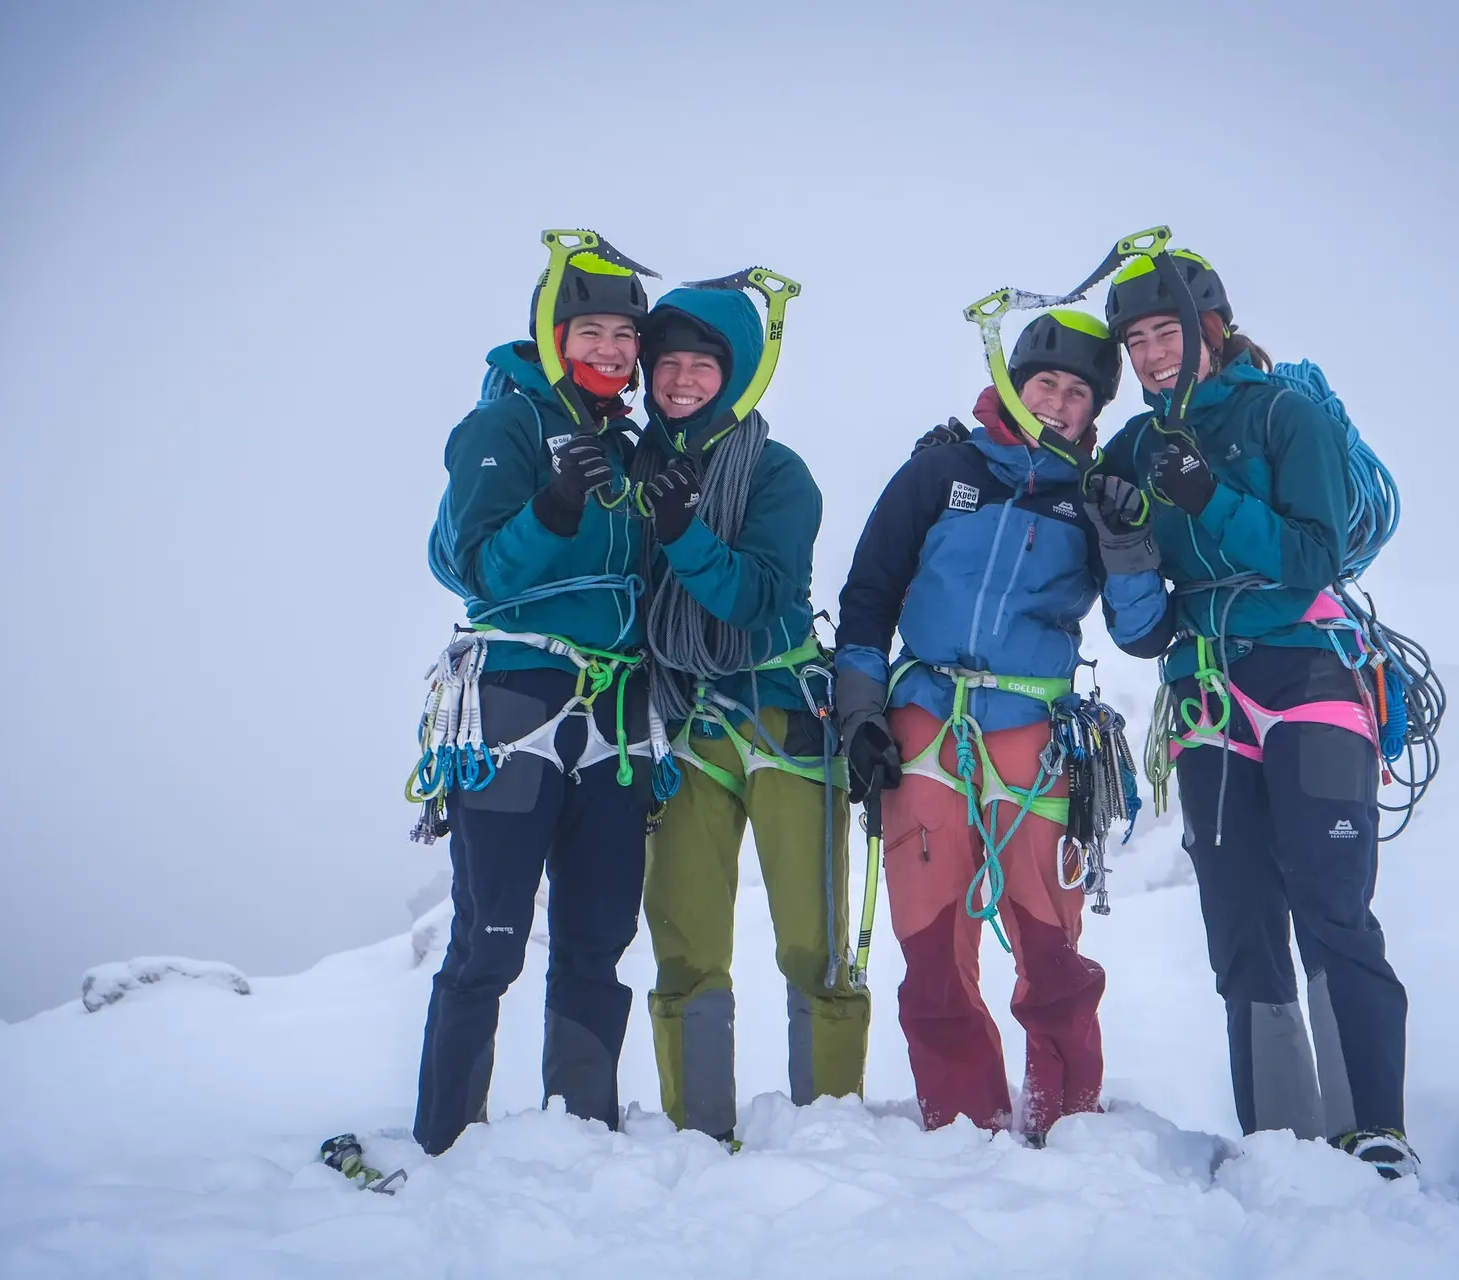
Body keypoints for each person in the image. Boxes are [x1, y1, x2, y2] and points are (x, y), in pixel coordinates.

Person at [1097, 248, 1416, 1178]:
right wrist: (1121, 547)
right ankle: (1283, 1145)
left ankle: (1376, 1132)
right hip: (1200, 687)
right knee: (1239, 923)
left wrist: (1209, 496)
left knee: (1332, 905)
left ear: (1212, 327)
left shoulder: (1286, 414)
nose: (1153, 355)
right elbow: (1141, 633)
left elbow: (1315, 557)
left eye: (1168, 332)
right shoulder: (1129, 449)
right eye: (1136, 340)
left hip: (1309, 672)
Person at [832, 310, 1167, 1142]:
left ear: (1095, 412)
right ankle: (962, 1126)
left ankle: (1067, 1120)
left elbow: (1139, 632)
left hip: (1034, 730)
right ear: (1015, 386)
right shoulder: (941, 472)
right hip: (923, 725)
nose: (1056, 402)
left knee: (1051, 947)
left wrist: (1125, 545)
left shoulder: (1094, 501)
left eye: (1076, 393)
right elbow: (869, 598)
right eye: (1043, 384)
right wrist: (859, 713)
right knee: (933, 950)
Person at [412, 253, 657, 1157]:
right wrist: (553, 503)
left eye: (624, 336)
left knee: (596, 937)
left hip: (621, 709)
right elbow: (479, 570)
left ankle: (582, 1133)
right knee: (493, 936)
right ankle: (446, 1140)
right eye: (590, 332)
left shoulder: (630, 447)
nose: (610, 349)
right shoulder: (503, 423)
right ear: (554, 340)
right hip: (517, 691)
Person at [635, 286, 870, 1145]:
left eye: (704, 363)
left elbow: (761, 603)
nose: (685, 378)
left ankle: (829, 1131)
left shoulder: (777, 474)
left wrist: (684, 533)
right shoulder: (629, 467)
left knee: (813, 944)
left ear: (735, 376)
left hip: (783, 718)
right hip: (684, 724)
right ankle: (697, 1134)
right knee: (687, 942)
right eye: (670, 363)